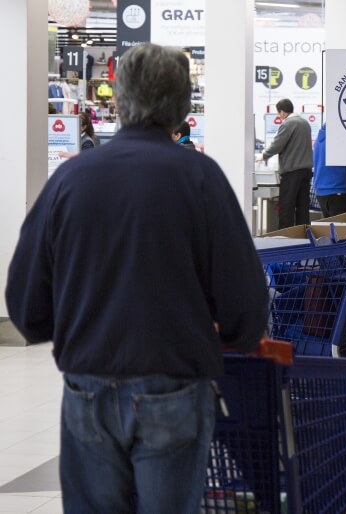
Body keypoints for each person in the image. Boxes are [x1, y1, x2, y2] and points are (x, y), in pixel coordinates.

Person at [4, 43, 268, 514]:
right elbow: (244, 299)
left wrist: (61, 330)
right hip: (175, 384)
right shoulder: (201, 179)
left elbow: (25, 302)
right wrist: (234, 335)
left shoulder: (70, 180)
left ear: (120, 103)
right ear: (184, 107)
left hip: (88, 382)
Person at [262, 98, 313, 228]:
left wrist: (264, 155)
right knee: (303, 207)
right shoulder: (305, 123)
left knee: (286, 207)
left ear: (283, 112)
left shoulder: (288, 124)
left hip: (292, 172)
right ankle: (304, 236)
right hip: (306, 171)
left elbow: (277, 144)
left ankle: (285, 238)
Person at [312, 123, 346, 217]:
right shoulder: (341, 140)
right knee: (342, 229)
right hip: (339, 190)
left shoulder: (319, 140)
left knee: (331, 229)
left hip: (321, 192)